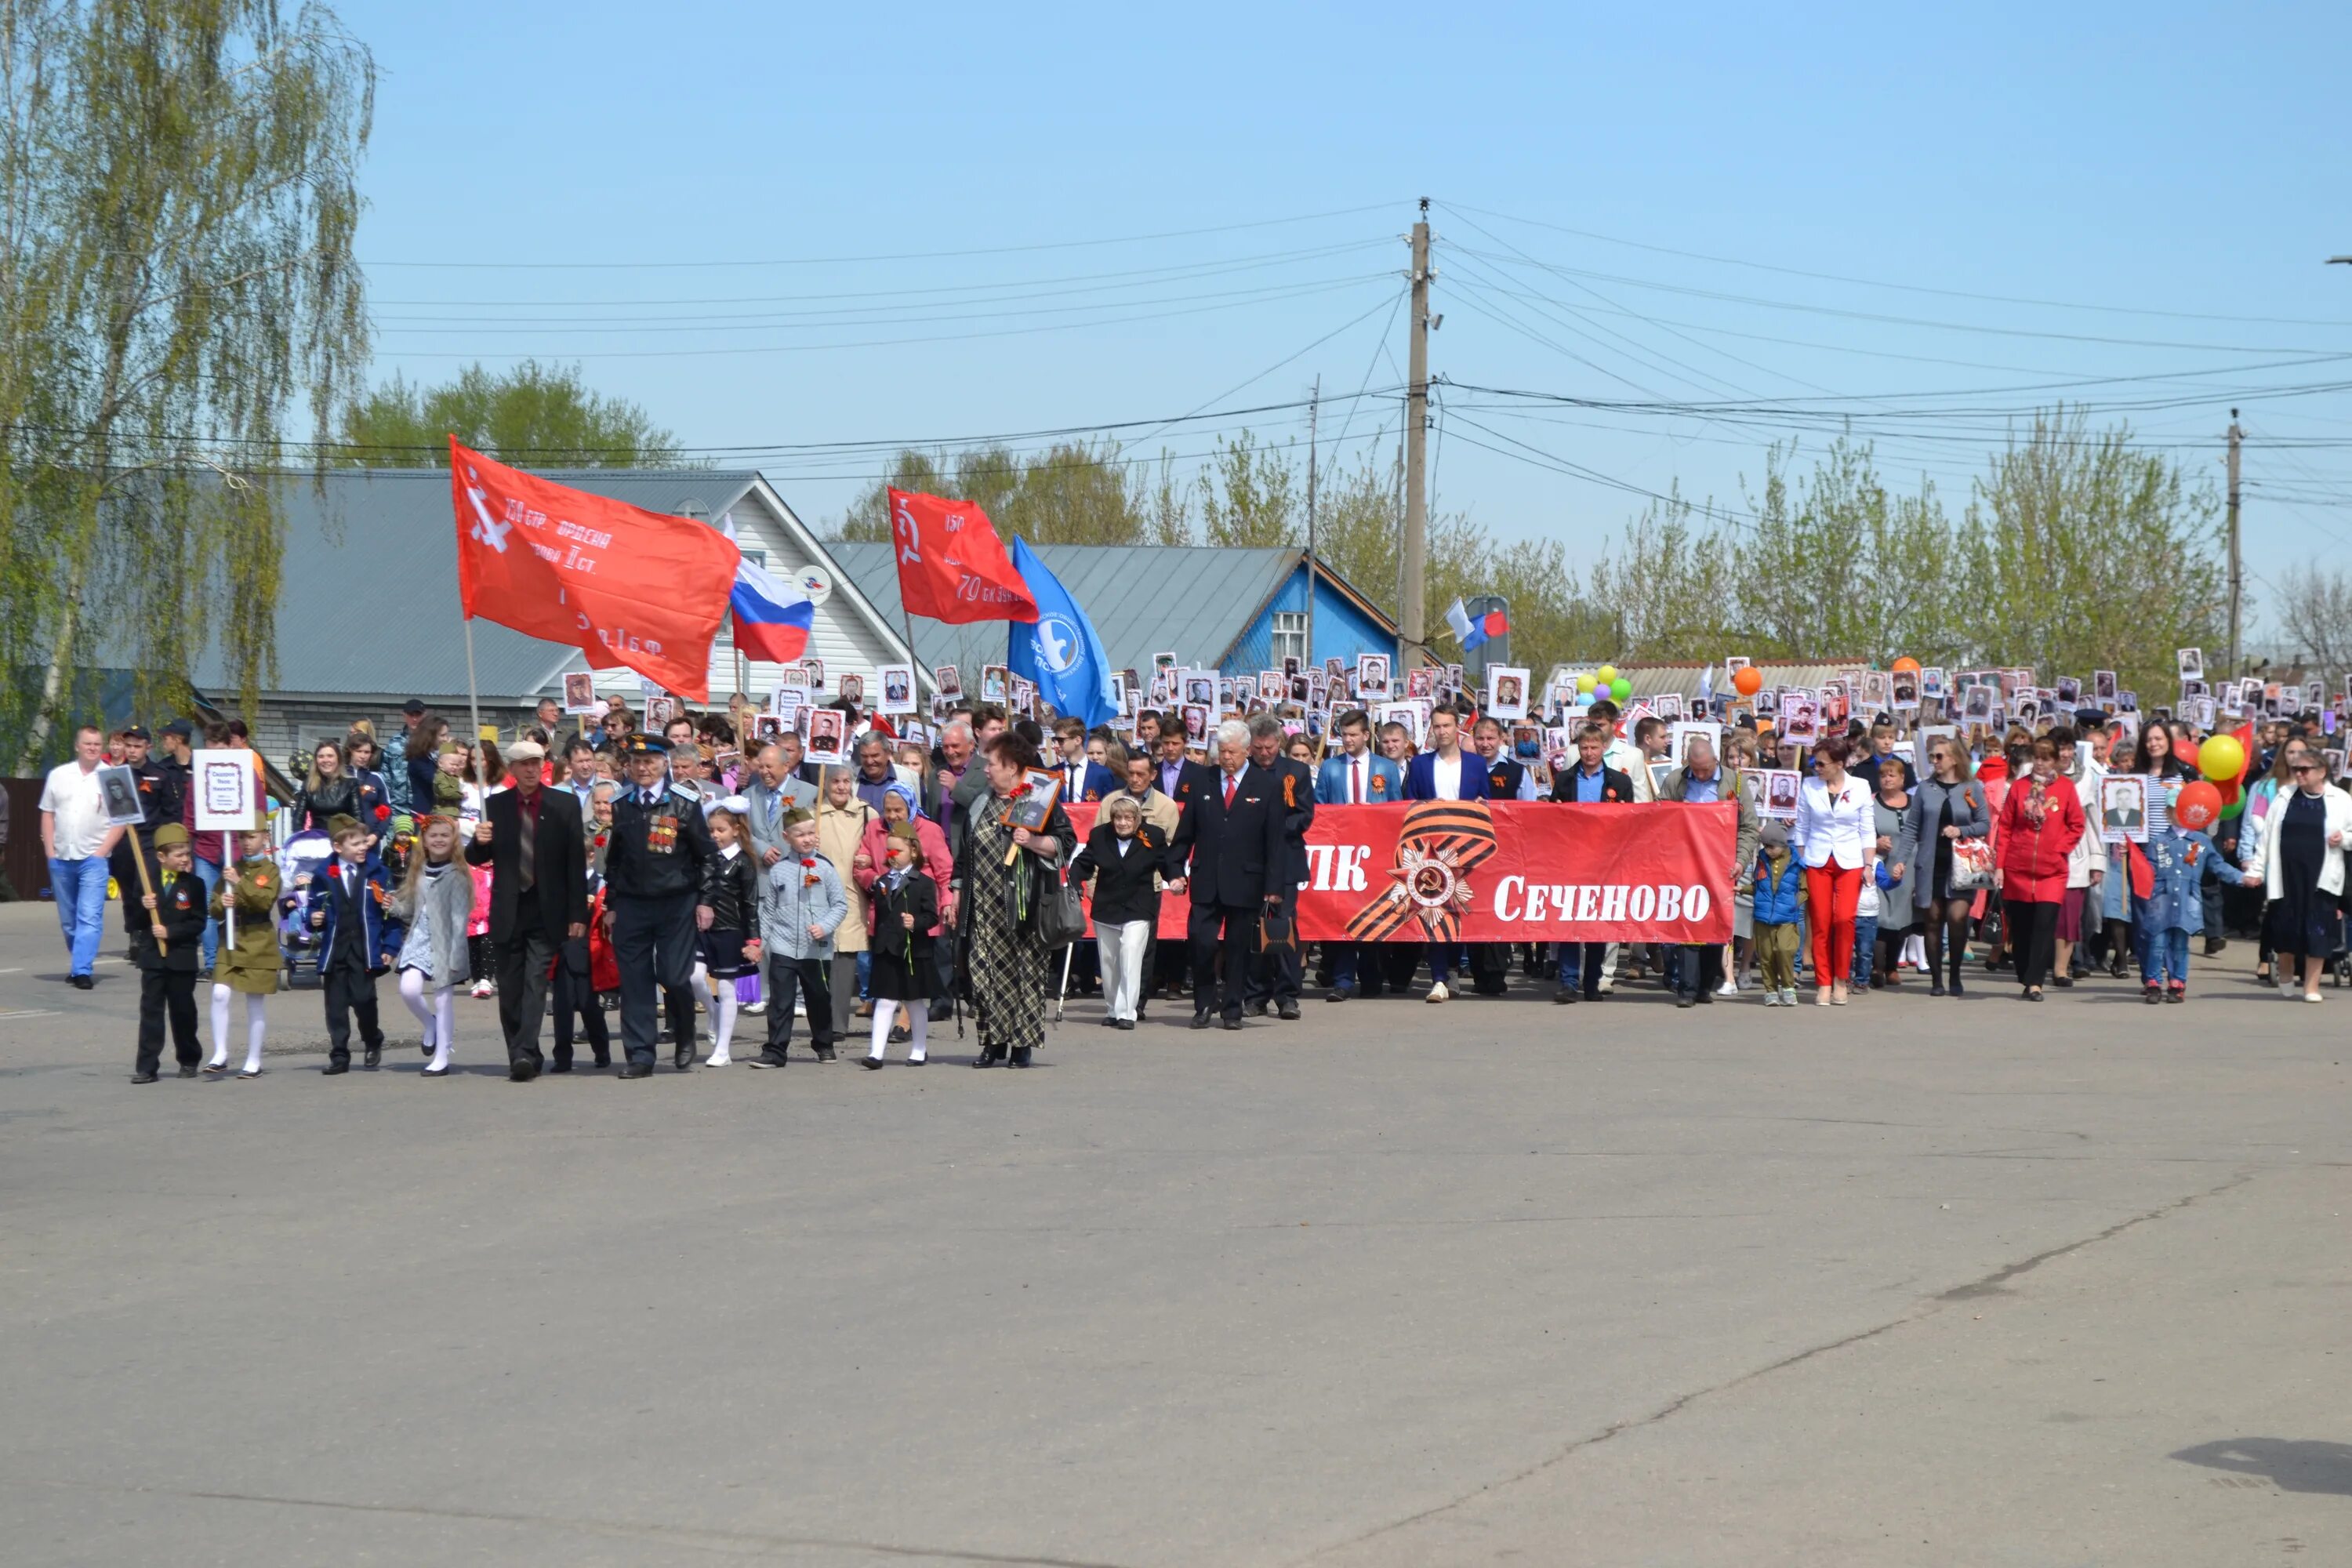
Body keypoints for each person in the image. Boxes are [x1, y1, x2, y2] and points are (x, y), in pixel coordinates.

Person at [461, 739, 586, 1081]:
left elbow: (575, 863)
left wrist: (578, 914)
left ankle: (524, 1054)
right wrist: (479, 840)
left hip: (547, 909)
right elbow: (476, 859)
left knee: (535, 981)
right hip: (508, 908)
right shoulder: (496, 806)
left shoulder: (564, 805)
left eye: (537, 763)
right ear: (513, 769)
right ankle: (520, 1050)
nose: (531, 769)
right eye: (525, 764)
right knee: (511, 987)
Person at [953, 731, 1076, 1064]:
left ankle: (1021, 1045)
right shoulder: (981, 801)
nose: (987, 770)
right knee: (984, 975)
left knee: (1026, 974)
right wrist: (956, 891)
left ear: (1012, 766)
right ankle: (993, 1043)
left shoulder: (1038, 799)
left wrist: (1033, 843)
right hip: (983, 909)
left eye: (992, 764)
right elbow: (964, 854)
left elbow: (1066, 843)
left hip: (1025, 906)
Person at [602, 735, 717, 1078]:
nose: (643, 768)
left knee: (672, 974)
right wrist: (612, 903)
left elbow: (706, 856)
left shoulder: (684, 802)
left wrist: (706, 901)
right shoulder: (622, 802)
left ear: (665, 764)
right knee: (635, 981)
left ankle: (684, 1032)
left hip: (676, 903)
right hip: (633, 903)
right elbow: (616, 859)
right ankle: (640, 1055)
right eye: (637, 762)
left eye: (650, 761)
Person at [1660, 735, 1758, 1006]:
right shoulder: (1675, 781)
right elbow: (1658, 817)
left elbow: (1749, 826)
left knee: (1716, 928)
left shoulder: (1735, 782)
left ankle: (1704, 986)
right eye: (1696, 770)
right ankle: (1687, 990)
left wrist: (1740, 860)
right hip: (1685, 864)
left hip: (1721, 864)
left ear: (1716, 760)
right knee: (1689, 922)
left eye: (1706, 769)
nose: (1701, 775)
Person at [1401, 706, 1490, 1004]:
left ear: (1458, 728)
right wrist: (1427, 804)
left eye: (1447, 726)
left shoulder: (1476, 765)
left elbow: (1488, 803)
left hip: (1466, 848)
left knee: (1462, 912)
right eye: (1436, 726)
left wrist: (1480, 804)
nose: (1442, 732)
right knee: (1436, 912)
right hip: (1433, 850)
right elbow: (1409, 803)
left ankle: (1453, 967)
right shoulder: (1422, 765)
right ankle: (1439, 977)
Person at [1316, 709, 1403, 1001]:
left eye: (1354, 734)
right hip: (1342, 856)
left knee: (1371, 918)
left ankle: (1371, 977)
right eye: (1344, 734)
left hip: (1376, 855)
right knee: (1343, 917)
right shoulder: (1331, 768)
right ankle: (1342, 980)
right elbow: (1320, 811)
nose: (1348, 740)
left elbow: (1396, 811)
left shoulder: (1385, 768)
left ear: (1367, 735)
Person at [2249, 751, 2350, 1004]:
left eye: (2305, 769)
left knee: (2319, 929)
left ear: (2322, 771)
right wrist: (2256, 870)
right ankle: (2285, 970)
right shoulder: (2284, 797)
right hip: (2286, 875)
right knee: (2285, 930)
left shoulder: (2340, 799)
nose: (2299, 774)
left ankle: (2311, 985)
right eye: (2296, 769)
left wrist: (2344, 839)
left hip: (2323, 875)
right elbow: (2266, 837)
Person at [1992, 738, 2085, 1002]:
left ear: (2056, 760)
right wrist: (2000, 865)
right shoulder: (2020, 788)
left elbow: (2076, 824)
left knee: (2045, 926)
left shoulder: (2066, 788)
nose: (2042, 763)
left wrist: (2060, 848)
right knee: (2021, 929)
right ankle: (2025, 973)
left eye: (2047, 758)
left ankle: (2035, 983)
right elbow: (2006, 827)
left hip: (2051, 871)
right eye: (2038, 758)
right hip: (2019, 868)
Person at [753, 807, 844, 1067]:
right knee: (781, 1001)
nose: (807, 839)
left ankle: (824, 1044)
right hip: (783, 945)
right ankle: (775, 1050)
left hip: (815, 947)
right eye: (800, 834)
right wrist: (761, 943)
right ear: (786, 837)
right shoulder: (779, 870)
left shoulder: (825, 868)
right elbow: (769, 911)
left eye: (811, 833)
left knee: (818, 998)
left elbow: (839, 904)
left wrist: (825, 926)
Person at [1548, 723, 1633, 1003]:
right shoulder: (1564, 780)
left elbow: (1630, 822)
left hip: (1605, 863)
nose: (1589, 752)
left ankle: (1592, 983)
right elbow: (1552, 820)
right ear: (1577, 749)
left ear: (1604, 748)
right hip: (1570, 861)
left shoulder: (1620, 783)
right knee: (1570, 924)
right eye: (1584, 747)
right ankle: (1569, 982)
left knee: (1598, 926)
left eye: (1594, 747)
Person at [308, 815, 396, 1074]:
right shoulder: (323, 875)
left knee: (364, 999)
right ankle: (339, 1055)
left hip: (364, 948)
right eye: (355, 843)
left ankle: (372, 1040)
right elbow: (314, 907)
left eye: (364, 842)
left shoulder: (379, 872)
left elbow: (392, 915)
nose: (363, 847)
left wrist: (390, 948)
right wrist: (314, 918)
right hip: (336, 949)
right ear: (338, 847)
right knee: (335, 1006)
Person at [1073, 793, 1167, 1031]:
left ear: (1137, 819)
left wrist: (1176, 878)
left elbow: (1167, 862)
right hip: (1108, 906)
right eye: (1118, 818)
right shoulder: (1100, 835)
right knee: (1108, 961)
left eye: (1128, 818)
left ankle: (1128, 1012)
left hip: (1138, 905)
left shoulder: (1153, 836)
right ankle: (1113, 1009)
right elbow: (1084, 862)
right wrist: (1074, 882)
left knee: (1131, 955)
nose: (1122, 823)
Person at [1904, 735, 1989, 998]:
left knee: (1957, 918)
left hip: (1961, 867)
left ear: (1954, 758)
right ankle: (1936, 979)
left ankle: (1955, 975)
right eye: (1932, 757)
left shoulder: (1971, 787)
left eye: (1939, 756)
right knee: (1932, 921)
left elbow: (1985, 824)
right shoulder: (1925, 789)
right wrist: (1899, 860)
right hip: (1931, 864)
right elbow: (1912, 828)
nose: (1934, 761)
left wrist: (1960, 830)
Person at [40, 724, 124, 990]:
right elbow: (47, 813)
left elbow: (121, 820)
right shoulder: (58, 775)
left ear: (103, 747)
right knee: (69, 918)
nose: (92, 748)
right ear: (77, 746)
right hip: (62, 856)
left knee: (89, 915)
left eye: (97, 744)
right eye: (87, 743)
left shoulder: (112, 777)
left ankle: (82, 970)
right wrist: (50, 852)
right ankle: (79, 960)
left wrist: (101, 853)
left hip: (93, 859)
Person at [1243, 716, 1316, 1018]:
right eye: (1258, 748)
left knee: (1282, 926)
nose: (1264, 753)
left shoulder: (1296, 771)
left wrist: (1274, 827)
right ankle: (1254, 994)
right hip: (1250, 861)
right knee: (1252, 926)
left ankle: (1287, 995)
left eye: (1269, 747)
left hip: (1285, 858)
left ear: (1279, 744)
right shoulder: (1243, 772)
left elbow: (1304, 815)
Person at [391, 814, 474, 1076]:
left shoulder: (458, 875)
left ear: (454, 841)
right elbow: (410, 909)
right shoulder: (419, 871)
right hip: (418, 940)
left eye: (444, 836)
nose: (439, 840)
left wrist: (456, 955)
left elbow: (460, 919)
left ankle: (442, 1056)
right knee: (409, 989)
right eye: (433, 835)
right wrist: (392, 906)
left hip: (445, 943)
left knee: (443, 1000)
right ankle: (431, 1024)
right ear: (424, 841)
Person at [125, 824, 209, 1083]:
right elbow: (134, 923)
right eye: (179, 854)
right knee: (151, 1012)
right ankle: (147, 1066)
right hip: (153, 959)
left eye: (187, 853)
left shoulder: (194, 885)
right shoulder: (146, 881)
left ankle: (189, 1058)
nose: (185, 859)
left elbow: (198, 922)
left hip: (181, 958)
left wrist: (170, 932)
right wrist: (143, 906)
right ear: (162, 857)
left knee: (183, 1011)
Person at [1794, 735, 1872, 1007]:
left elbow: (1867, 828)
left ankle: (1842, 978)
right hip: (1818, 860)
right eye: (1815, 763)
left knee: (1844, 919)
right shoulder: (1809, 786)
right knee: (1821, 922)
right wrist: (1803, 857)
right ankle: (1824, 982)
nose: (1817, 768)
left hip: (1850, 861)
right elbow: (1801, 827)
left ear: (1839, 764)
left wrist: (1869, 864)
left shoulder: (1860, 786)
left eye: (1822, 764)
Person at [202, 821, 278, 1078]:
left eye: (252, 836)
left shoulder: (270, 870)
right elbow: (212, 907)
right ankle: (220, 1052)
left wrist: (240, 884)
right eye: (242, 837)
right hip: (232, 938)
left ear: (264, 838)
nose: (246, 842)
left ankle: (253, 1059)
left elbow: (264, 901)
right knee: (220, 993)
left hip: (258, 939)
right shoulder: (232, 868)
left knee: (254, 1001)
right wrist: (221, 903)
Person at [862, 823, 939, 1066]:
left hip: (913, 951)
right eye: (889, 851)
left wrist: (915, 922)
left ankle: (919, 1048)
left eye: (898, 851)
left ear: (913, 851)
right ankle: (876, 1053)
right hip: (887, 948)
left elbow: (932, 916)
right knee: (885, 1000)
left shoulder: (923, 882)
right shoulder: (883, 881)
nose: (892, 856)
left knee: (914, 1001)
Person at [815, 767, 877, 1042]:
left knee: (846, 957)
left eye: (846, 782)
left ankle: (838, 1024)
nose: (841, 787)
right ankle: (822, 1019)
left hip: (853, 892)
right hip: (818, 893)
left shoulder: (866, 813)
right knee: (819, 959)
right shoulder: (813, 813)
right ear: (825, 784)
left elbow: (881, 847)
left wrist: (868, 859)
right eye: (835, 782)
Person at [696, 808, 760, 1067]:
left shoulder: (743, 862)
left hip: (730, 930)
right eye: (710, 830)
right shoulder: (705, 858)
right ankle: (713, 1012)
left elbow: (750, 904)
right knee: (691, 976)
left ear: (735, 830)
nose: (714, 835)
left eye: (720, 830)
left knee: (725, 988)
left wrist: (753, 940)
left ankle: (722, 1050)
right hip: (700, 929)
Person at [1868, 757, 1919, 989]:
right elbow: (1862, 831)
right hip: (1881, 866)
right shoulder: (1871, 802)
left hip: (1908, 865)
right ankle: (1877, 968)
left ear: (1902, 779)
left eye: (1892, 775)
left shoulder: (1914, 802)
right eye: (1883, 775)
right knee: (1881, 916)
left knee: (1901, 917)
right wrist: (1875, 842)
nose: (1887, 779)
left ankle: (1892, 968)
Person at [1750, 820, 1806, 1005]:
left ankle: (1788, 986)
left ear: (1782, 844)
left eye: (1771, 847)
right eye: (1765, 846)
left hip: (1787, 917)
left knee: (1785, 950)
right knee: (1766, 955)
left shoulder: (1796, 863)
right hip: (1763, 916)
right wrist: (1741, 889)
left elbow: (1805, 889)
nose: (1767, 850)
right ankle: (1771, 990)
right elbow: (1757, 886)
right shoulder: (1761, 860)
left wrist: (1794, 904)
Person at [1051, 717, 1118, 804]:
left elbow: (1108, 808)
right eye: (1054, 740)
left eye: (1061, 741)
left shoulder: (1102, 774)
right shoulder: (1051, 773)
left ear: (1077, 740)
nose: (1055, 745)